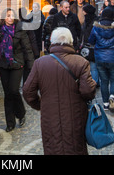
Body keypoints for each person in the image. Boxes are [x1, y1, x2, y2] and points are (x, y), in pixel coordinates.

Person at [23, 27, 97, 155]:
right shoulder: (81, 62)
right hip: (76, 116)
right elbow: (88, 91)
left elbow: (27, 91)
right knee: (75, 147)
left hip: (49, 117)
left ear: (52, 42)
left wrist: (40, 105)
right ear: (70, 42)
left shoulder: (40, 63)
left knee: (53, 147)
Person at [0, 8, 34, 132]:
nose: (10, 18)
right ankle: (10, 122)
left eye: (12, 15)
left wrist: (31, 65)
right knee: (7, 93)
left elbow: (27, 47)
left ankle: (21, 113)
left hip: (17, 62)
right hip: (4, 63)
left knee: (14, 90)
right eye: (7, 15)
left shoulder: (20, 29)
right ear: (4, 17)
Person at [88, 8, 114, 112]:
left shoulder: (96, 27)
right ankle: (112, 97)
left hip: (100, 57)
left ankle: (105, 104)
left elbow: (91, 40)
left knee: (104, 81)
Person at [80, 4, 99, 85]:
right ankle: (93, 81)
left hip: (92, 45)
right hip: (87, 45)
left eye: (84, 10)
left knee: (93, 66)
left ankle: (95, 82)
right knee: (90, 66)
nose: (83, 12)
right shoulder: (88, 20)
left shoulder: (93, 21)